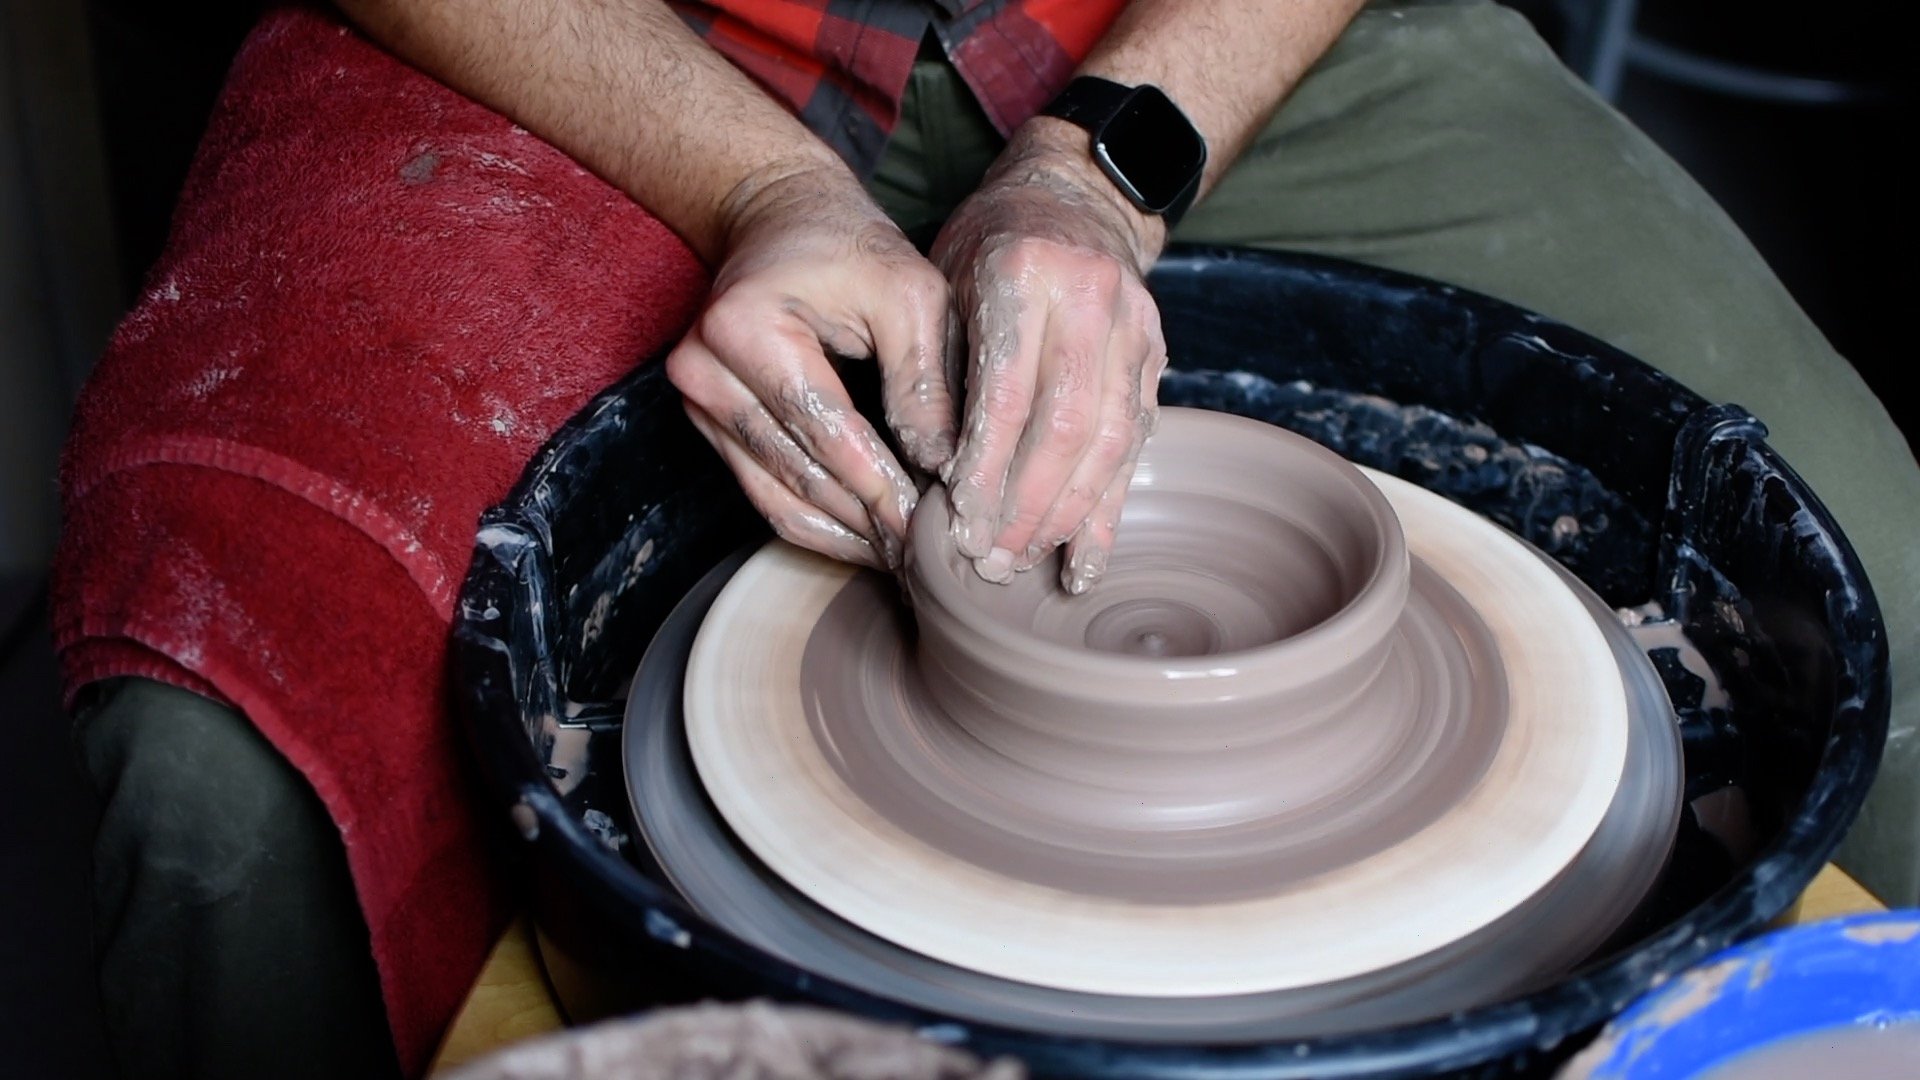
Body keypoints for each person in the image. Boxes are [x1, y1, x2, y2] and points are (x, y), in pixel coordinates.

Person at [61, 0, 1919, 1078]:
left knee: (1870, 571)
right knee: (222, 787)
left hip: (1179, 32)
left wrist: (1100, 166)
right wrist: (766, 183)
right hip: (585, 43)